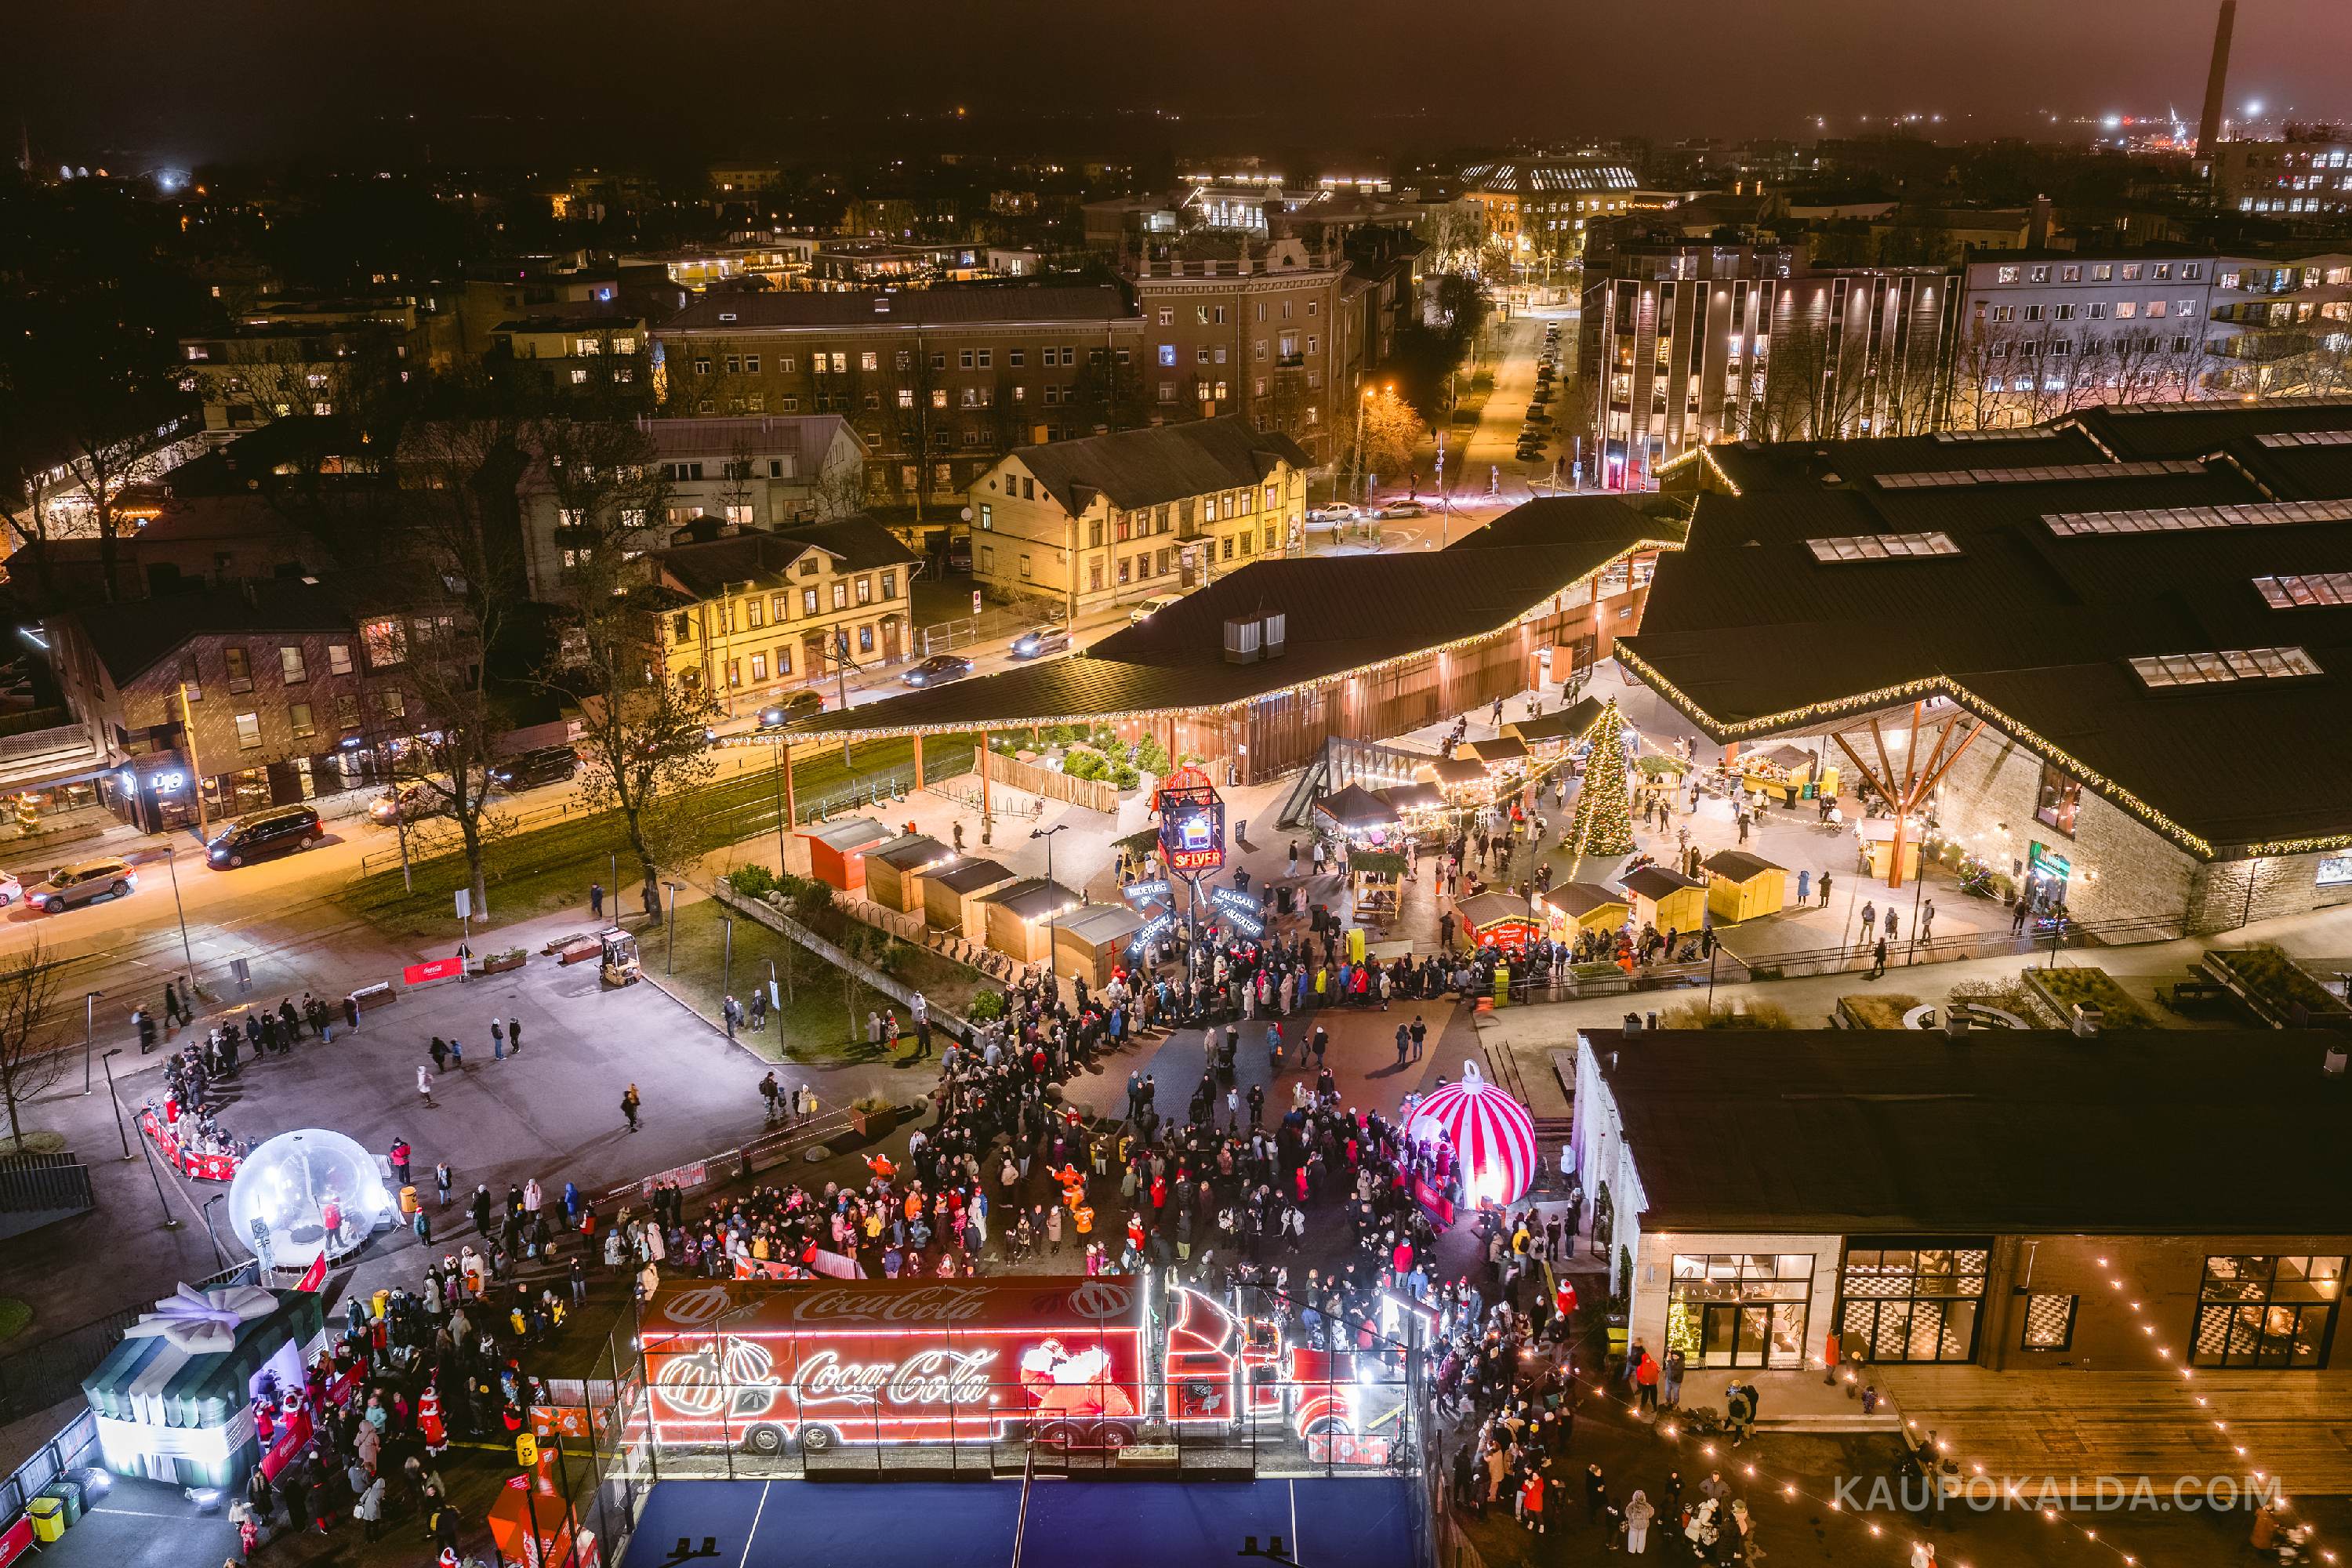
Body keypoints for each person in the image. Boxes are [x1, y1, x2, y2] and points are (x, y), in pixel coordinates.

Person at [1624, 1489, 1654, 1555]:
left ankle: (1632, 1550)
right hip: (1644, 1525)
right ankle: (1640, 1550)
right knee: (1642, 1537)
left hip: (1634, 1524)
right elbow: (1651, 1513)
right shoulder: (1646, 1505)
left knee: (1632, 1536)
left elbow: (1627, 1514)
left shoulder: (1632, 1505)